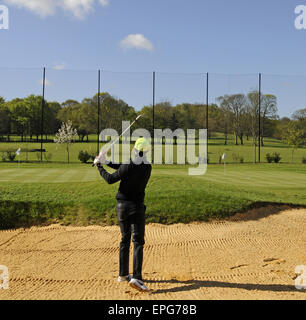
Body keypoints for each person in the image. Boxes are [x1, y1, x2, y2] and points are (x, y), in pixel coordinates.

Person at [95, 138, 152, 292]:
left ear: (134, 150)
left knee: (124, 240)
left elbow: (110, 178)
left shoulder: (129, 164)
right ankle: (137, 278)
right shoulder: (147, 166)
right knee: (138, 241)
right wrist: (105, 160)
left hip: (122, 207)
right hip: (137, 207)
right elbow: (123, 168)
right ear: (146, 152)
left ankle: (123, 275)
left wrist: (99, 165)